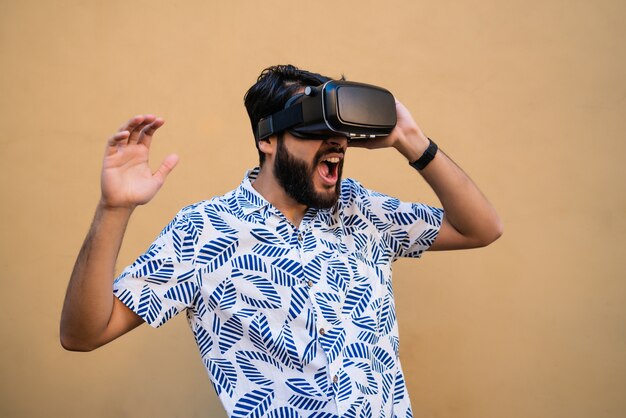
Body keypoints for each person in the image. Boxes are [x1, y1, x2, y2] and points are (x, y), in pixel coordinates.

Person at [60, 64, 502, 417]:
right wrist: (114, 209)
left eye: (340, 131)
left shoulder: (362, 210)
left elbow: (481, 229)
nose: (336, 143)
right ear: (267, 138)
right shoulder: (204, 231)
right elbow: (84, 334)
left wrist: (413, 142)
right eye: (314, 127)